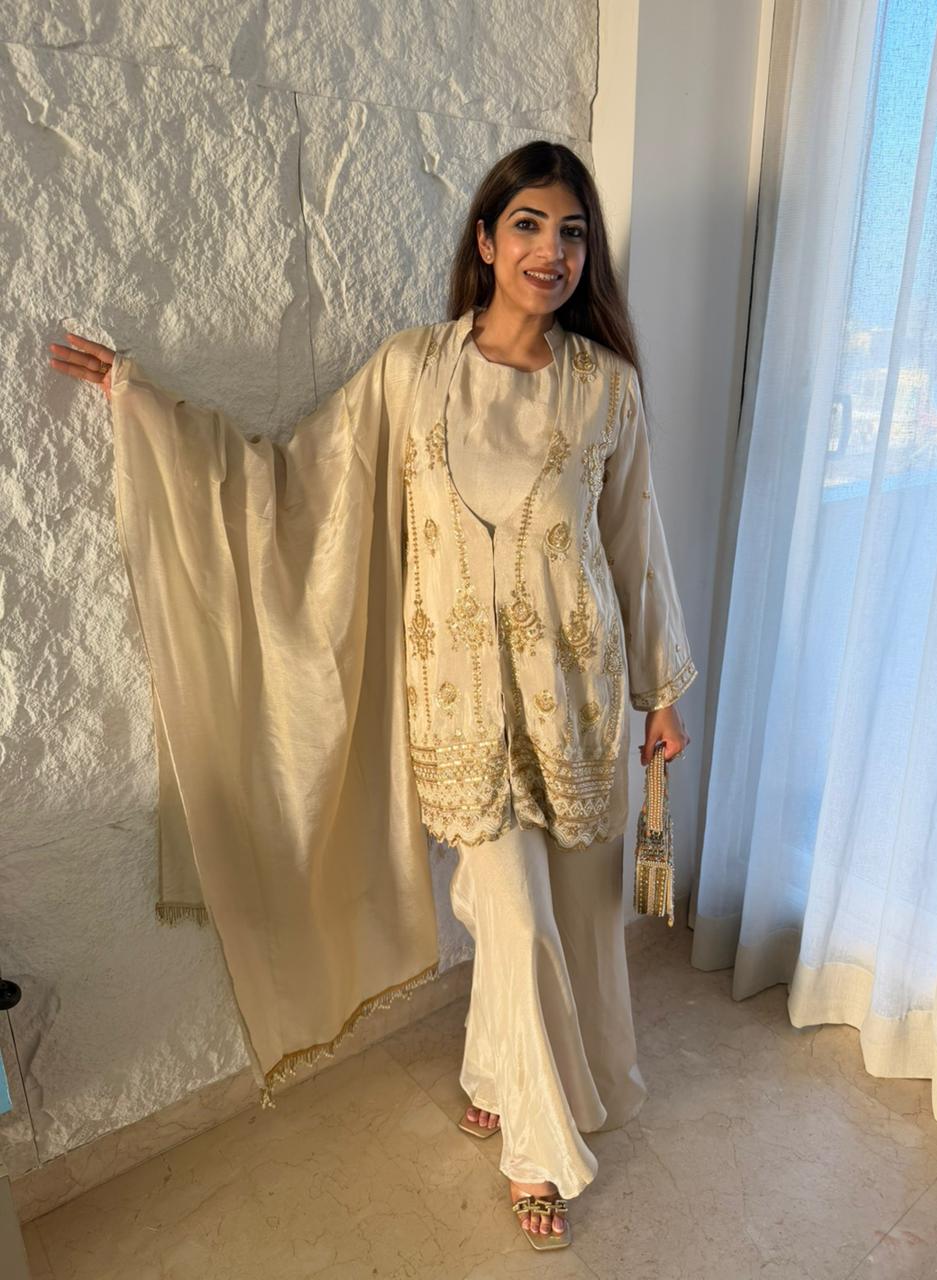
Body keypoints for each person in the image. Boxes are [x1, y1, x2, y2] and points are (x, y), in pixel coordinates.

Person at [48, 140, 696, 1253]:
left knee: (571, 918)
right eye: (529, 225)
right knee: (513, 913)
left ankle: (492, 1070)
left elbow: (635, 544)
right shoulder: (410, 373)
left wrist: (661, 692)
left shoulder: (606, 389)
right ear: (485, 240)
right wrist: (143, 402)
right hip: (459, 708)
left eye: (573, 233)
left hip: (578, 703)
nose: (551, 252)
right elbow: (294, 482)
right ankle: (539, 1150)